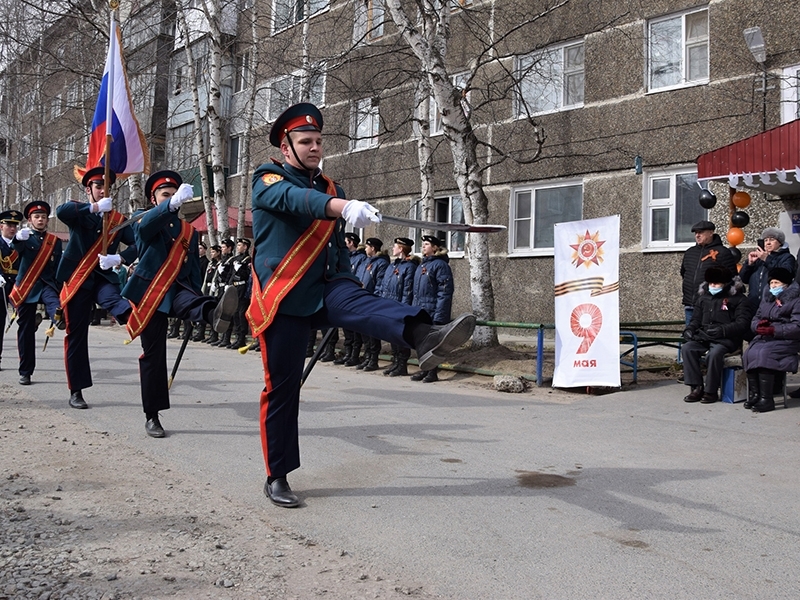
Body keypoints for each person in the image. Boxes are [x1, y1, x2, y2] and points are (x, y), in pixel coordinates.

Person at [249, 102, 475, 508]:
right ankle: (277, 476)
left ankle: (426, 336)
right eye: (306, 142)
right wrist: (341, 208)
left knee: (366, 303)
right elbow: (293, 200)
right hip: (283, 296)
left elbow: (335, 249)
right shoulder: (267, 179)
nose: (315, 148)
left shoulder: (332, 188)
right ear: (286, 148)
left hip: (328, 284)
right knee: (282, 389)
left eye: (319, 141)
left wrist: (349, 280)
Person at [121, 170, 238, 438]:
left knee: (197, 303)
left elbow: (194, 269)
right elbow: (147, 228)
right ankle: (152, 415)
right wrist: (168, 207)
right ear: (154, 199)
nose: (172, 198)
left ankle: (214, 313)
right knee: (153, 355)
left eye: (175, 195)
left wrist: (197, 293)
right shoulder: (144, 220)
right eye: (166, 195)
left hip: (179, 288)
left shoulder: (188, 231)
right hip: (151, 293)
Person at [56, 167, 137, 409]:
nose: (103, 190)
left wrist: (119, 259)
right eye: (98, 186)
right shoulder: (80, 211)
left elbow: (137, 244)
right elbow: (62, 211)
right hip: (78, 279)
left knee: (115, 301)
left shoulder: (118, 219)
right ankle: (76, 390)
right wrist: (93, 208)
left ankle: (138, 321)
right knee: (77, 335)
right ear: (88, 189)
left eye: (107, 187)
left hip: (102, 277)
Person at [10, 201, 64, 386]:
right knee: (25, 330)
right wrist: (17, 238)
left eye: (43, 217)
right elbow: (16, 248)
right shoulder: (24, 237)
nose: (40, 219)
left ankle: (58, 319)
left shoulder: (54, 241)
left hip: (47, 283)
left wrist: (60, 285)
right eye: (36, 217)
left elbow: (56, 266)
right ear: (30, 220)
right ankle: (25, 371)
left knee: (55, 305)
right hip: (27, 286)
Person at [681, 266, 751, 403]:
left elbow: (743, 323)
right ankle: (696, 387)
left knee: (714, 354)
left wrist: (723, 330)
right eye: (710, 283)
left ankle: (711, 391)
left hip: (726, 339)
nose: (713, 286)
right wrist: (689, 330)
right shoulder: (703, 298)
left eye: (716, 283)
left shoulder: (739, 299)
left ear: (725, 283)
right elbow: (696, 319)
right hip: (705, 336)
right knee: (687, 348)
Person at [742, 267, 800, 413]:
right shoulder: (767, 300)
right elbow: (756, 317)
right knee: (749, 353)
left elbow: (797, 326)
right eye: (771, 282)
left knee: (764, 353)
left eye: (777, 282)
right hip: (766, 338)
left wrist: (775, 330)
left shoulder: (796, 301)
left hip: (787, 340)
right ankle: (755, 395)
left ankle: (767, 399)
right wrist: (758, 326)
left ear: (786, 284)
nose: (773, 286)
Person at [410, 235, 455, 383]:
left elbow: (444, 292)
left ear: (435, 248)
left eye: (427, 244)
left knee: (433, 344)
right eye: (423, 244)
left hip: (432, 311)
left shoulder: (440, 266)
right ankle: (424, 369)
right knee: (421, 342)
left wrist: (439, 315)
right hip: (420, 310)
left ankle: (432, 372)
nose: (423, 246)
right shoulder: (423, 265)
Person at [680, 220, 737, 325]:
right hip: (690, 304)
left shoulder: (723, 252)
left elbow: (732, 278)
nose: (697, 235)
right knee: (690, 335)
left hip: (711, 304)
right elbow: (684, 273)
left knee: (708, 335)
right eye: (696, 233)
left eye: (700, 232)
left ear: (711, 233)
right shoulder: (690, 252)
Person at [379, 237, 418, 376]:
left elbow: (407, 290)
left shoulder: (409, 267)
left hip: (399, 307)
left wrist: (403, 309)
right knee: (392, 336)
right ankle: (395, 362)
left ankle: (402, 364)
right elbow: (384, 286)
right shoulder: (392, 265)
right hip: (388, 304)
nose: (393, 248)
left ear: (401, 248)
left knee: (400, 336)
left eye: (395, 246)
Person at [739, 227, 796, 312]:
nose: (768, 243)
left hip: (773, 304)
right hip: (753, 304)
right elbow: (743, 278)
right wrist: (749, 264)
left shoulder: (787, 257)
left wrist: (767, 259)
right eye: (766, 240)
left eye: (772, 240)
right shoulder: (758, 258)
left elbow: (784, 275)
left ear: (780, 242)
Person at [355, 237, 389, 371]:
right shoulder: (365, 262)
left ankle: (373, 359)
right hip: (361, 300)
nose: (365, 249)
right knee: (364, 332)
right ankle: (367, 357)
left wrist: (373, 299)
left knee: (372, 332)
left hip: (371, 301)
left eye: (367, 247)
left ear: (373, 248)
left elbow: (380, 284)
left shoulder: (381, 263)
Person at [333, 232, 367, 366]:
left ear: (351, 243)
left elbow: (357, 275)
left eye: (345, 241)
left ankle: (354, 355)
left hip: (354, 294)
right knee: (346, 329)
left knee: (354, 330)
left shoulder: (360, 258)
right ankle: (348, 354)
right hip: (345, 294)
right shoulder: (345, 257)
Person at [0, 209, 23, 371]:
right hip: (0, 284)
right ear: (1, 226)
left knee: (24, 314)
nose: (12, 228)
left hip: (17, 283)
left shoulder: (21, 242)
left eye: (15, 225)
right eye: (9, 225)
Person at [209, 238, 235, 347]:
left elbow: (231, 274)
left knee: (227, 313)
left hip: (226, 288)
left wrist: (226, 281)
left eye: (224, 247)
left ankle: (226, 338)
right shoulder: (224, 260)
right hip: (220, 288)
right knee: (218, 312)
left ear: (229, 248)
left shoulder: (232, 260)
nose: (223, 249)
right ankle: (220, 336)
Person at [227, 237, 252, 349]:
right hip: (234, 287)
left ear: (245, 247)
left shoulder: (248, 260)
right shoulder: (235, 259)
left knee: (241, 313)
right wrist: (229, 283)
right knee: (235, 313)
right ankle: (237, 337)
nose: (238, 247)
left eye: (240, 245)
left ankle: (242, 338)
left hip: (242, 287)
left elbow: (247, 275)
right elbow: (231, 274)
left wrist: (240, 270)